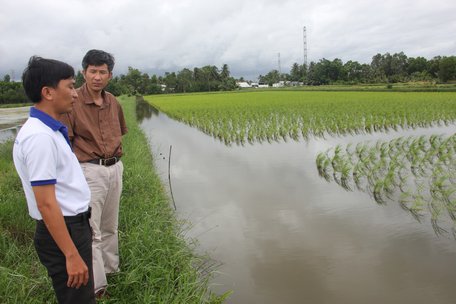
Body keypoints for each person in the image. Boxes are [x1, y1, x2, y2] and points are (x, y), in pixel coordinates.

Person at [13, 56, 95, 303]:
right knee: (77, 299)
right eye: (70, 86)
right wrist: (70, 254)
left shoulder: (48, 130)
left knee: (79, 296)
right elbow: (46, 203)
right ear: (48, 92)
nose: (75, 94)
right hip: (64, 230)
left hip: (71, 226)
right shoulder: (40, 138)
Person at [61, 49, 127, 298]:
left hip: (114, 168)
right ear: (83, 72)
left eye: (102, 72)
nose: (97, 77)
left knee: (111, 225)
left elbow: (119, 133)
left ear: (110, 75)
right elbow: (67, 143)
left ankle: (111, 270)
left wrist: (116, 163)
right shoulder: (72, 102)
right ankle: (98, 287)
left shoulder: (113, 102)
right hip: (89, 171)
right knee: (93, 230)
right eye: (92, 71)